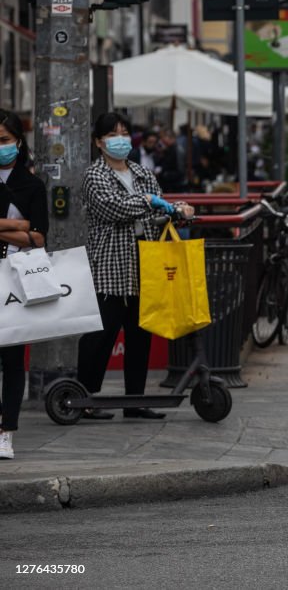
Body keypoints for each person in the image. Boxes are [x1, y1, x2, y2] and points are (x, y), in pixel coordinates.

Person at [76, 113, 194, 420]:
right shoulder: (95, 175)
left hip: (146, 262)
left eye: (125, 133)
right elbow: (112, 207)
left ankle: (135, 400)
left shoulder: (143, 173)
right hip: (110, 265)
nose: (121, 139)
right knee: (100, 334)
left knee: (140, 333)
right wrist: (151, 201)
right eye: (113, 134)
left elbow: (161, 207)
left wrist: (176, 210)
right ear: (99, 143)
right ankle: (84, 398)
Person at [0, 110, 47, 459]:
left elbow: (40, 236)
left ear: (18, 141)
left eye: (3, 140)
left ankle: (8, 430)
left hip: (17, 275)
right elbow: (27, 230)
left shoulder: (32, 185)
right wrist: (18, 228)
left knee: (14, 357)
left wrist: (24, 232)